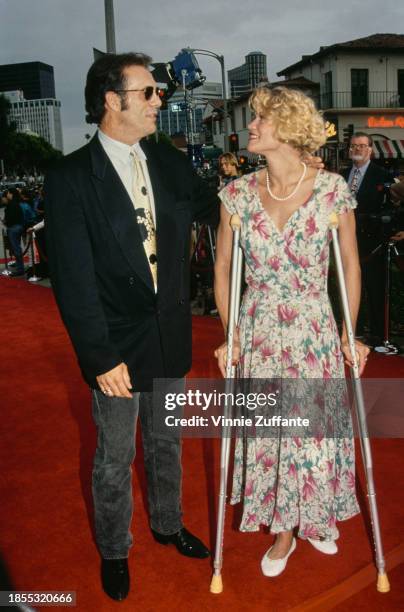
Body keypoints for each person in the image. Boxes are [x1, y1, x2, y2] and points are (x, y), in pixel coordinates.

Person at [44, 52, 217, 602]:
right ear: (112, 101)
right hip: (115, 347)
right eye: (147, 93)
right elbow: (73, 280)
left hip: (169, 336)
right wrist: (98, 357)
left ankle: (167, 524)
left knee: (168, 443)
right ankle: (115, 549)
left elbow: (219, 207)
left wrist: (288, 176)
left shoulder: (168, 162)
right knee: (114, 458)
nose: (157, 101)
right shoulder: (71, 176)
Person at [214, 87, 369, 578]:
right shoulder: (236, 194)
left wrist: (350, 332)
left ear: (286, 128)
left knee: (314, 429)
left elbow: (349, 263)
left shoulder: (331, 190)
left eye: (260, 118)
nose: (251, 126)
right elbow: (222, 269)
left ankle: (317, 517)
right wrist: (230, 333)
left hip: (313, 328)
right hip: (259, 327)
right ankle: (283, 531)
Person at [342, 133, 390, 345]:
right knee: (348, 286)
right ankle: (354, 328)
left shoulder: (382, 175)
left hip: (373, 243)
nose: (357, 149)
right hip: (346, 241)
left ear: (370, 149)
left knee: (374, 287)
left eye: (362, 146)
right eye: (354, 146)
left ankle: (378, 333)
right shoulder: (342, 176)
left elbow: (389, 207)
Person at [2, 188, 25, 277]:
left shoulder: (12, 204)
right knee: (17, 248)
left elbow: (11, 218)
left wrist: (5, 221)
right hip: (18, 226)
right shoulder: (17, 202)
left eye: (8, 193)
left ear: (10, 194)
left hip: (13, 227)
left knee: (16, 249)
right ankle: (20, 266)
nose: (7, 195)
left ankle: (20, 269)